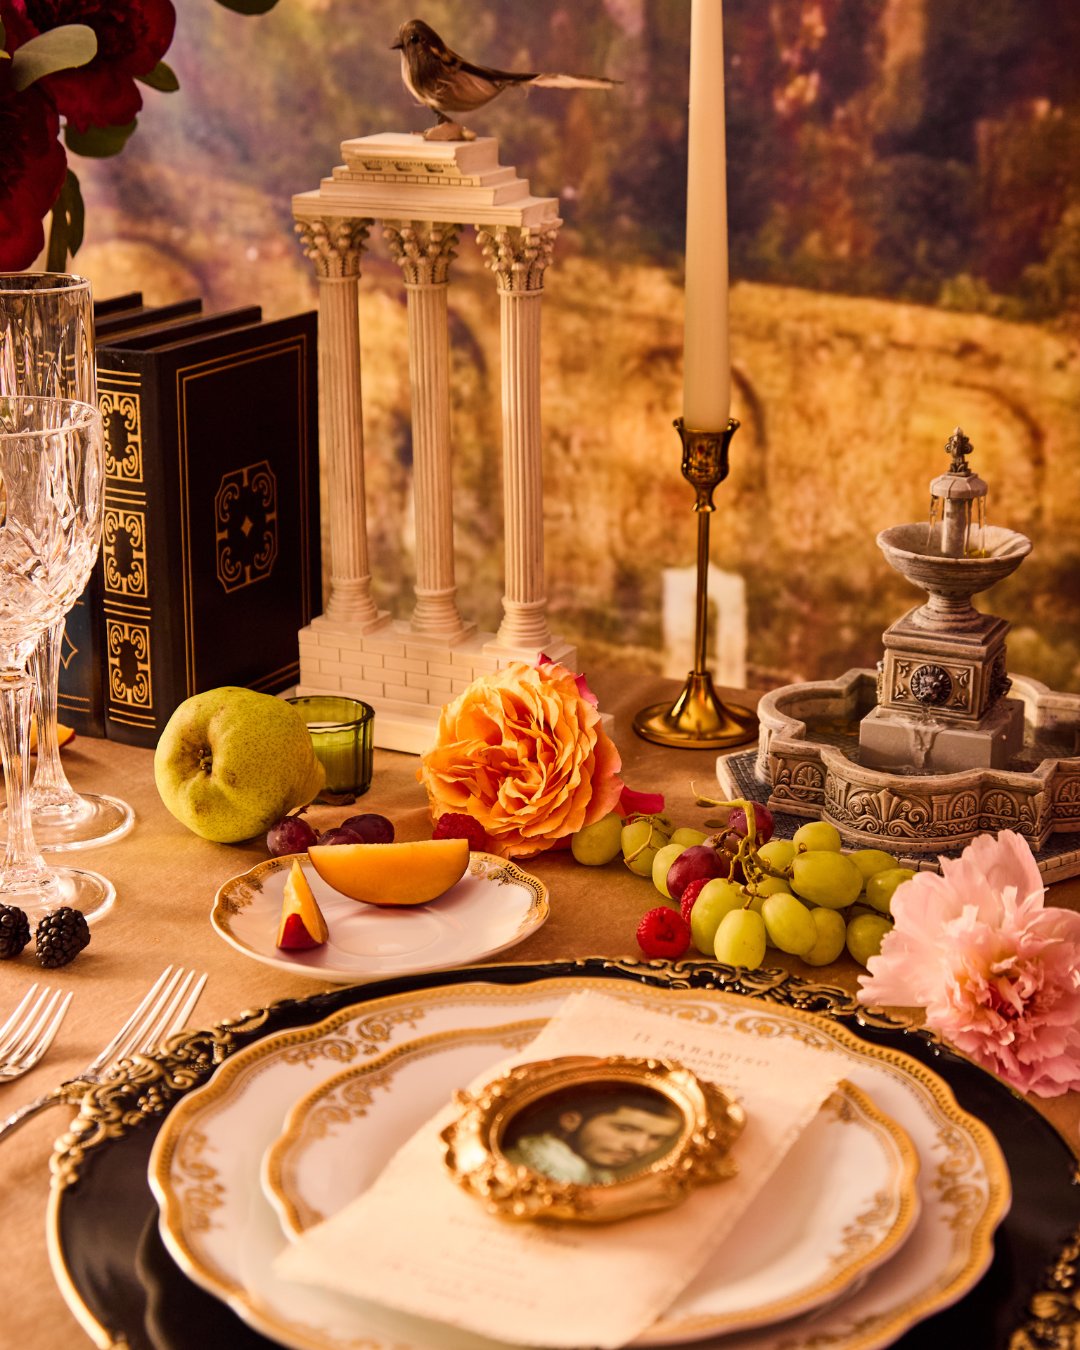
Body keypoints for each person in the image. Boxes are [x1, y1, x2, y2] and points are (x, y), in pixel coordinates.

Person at [504, 1088, 683, 1185]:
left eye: (657, 1138)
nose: (639, 1147)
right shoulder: (514, 1167)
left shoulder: (601, 1179)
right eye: (625, 1129)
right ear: (571, 1121)